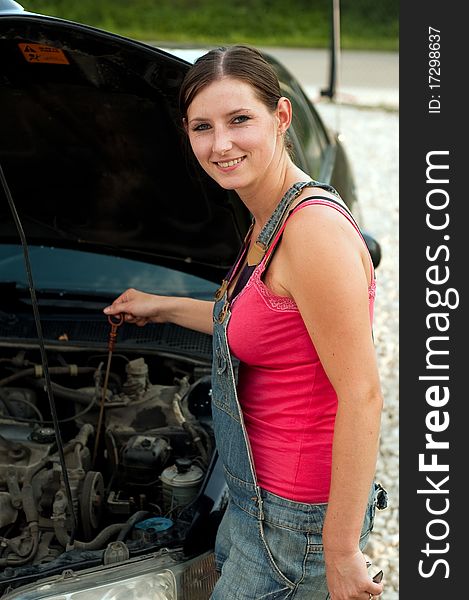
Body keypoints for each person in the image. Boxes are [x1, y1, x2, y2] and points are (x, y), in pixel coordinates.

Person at [104, 45, 385, 600]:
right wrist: (160, 305)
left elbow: (363, 395)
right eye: (202, 127)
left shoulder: (312, 234)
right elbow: (261, 325)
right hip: (256, 503)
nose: (221, 144)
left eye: (239, 120)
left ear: (281, 118)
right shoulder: (265, 216)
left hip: (296, 525)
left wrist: (340, 550)